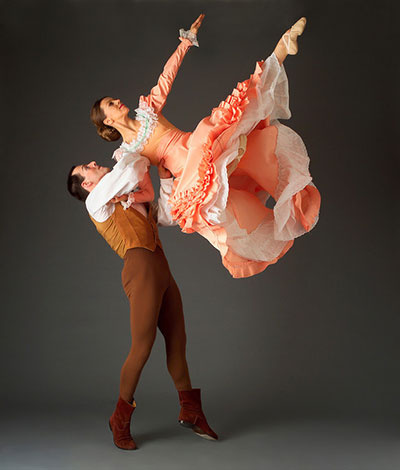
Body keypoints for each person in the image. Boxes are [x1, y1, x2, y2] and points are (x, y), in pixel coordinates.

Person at [90, 14, 321, 278]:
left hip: (198, 144)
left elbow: (166, 77)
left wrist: (184, 43)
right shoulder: (128, 154)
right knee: (221, 196)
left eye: (113, 99)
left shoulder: (147, 109)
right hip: (188, 172)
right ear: (108, 121)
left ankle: (283, 45)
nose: (118, 101)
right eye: (111, 104)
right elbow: (146, 191)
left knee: (235, 110)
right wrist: (128, 196)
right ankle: (238, 179)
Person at [67, 157, 218, 449]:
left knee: (177, 341)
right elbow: (128, 170)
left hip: (162, 269)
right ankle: (119, 419)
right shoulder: (96, 202)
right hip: (141, 271)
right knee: (142, 347)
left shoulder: (127, 195)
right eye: (87, 167)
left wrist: (166, 179)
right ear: (87, 184)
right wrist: (138, 150)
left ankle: (192, 410)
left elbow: (169, 216)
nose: (93, 162)